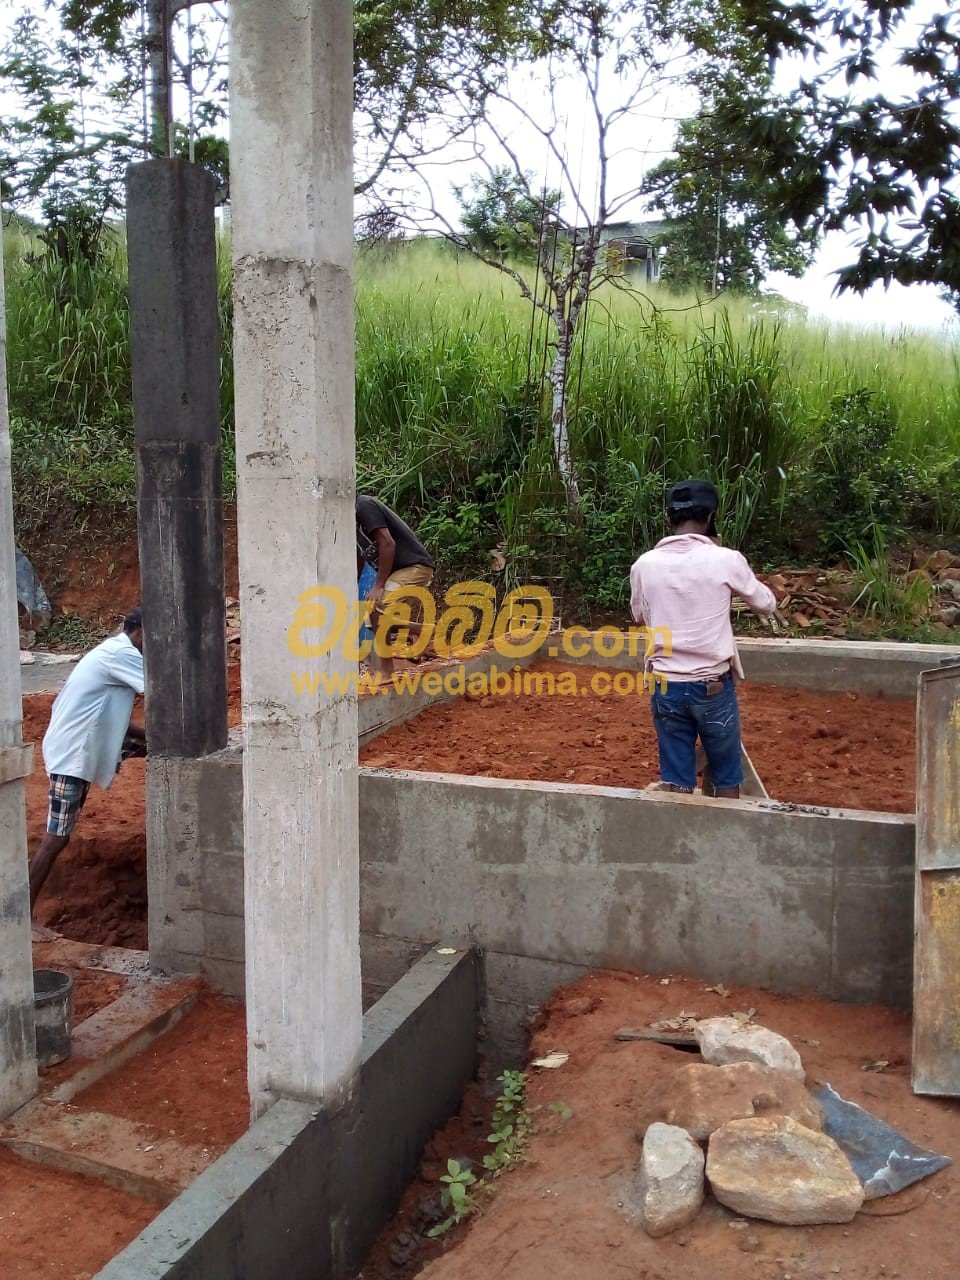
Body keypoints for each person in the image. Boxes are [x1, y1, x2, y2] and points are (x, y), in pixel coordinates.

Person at [630, 480, 779, 799]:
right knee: (725, 777)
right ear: (711, 516)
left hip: (666, 684)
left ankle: (680, 834)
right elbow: (765, 604)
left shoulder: (644, 564)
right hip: (712, 686)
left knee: (676, 782)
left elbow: (639, 616)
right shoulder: (726, 559)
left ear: (669, 518)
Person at [30, 606, 146, 910]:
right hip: (74, 751)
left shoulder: (114, 650)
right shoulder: (124, 655)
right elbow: (167, 692)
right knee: (57, 837)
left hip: (88, 739)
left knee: (159, 746)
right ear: (141, 632)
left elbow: (113, 716)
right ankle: (21, 914)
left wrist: (153, 738)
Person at [356, 495, 435, 674]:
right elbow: (360, 556)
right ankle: (420, 630)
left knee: (377, 607)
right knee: (372, 614)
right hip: (398, 572)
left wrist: (379, 585)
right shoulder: (348, 522)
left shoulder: (363, 506)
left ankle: (387, 670)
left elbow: (388, 543)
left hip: (414, 566)